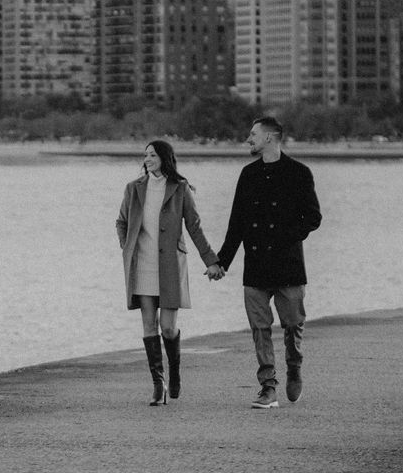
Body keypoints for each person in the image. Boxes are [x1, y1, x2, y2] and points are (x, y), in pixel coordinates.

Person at [208, 116, 321, 408]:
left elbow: (313, 218)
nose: (248, 139)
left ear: (270, 137)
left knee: (293, 325)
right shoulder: (248, 175)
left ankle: (294, 366)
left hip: (288, 264)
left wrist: (286, 236)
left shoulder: (299, 173)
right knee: (260, 328)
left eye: (253, 134)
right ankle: (268, 386)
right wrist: (222, 262)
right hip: (256, 264)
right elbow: (237, 224)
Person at [116, 138, 219, 406]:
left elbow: (194, 227)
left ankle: (174, 372)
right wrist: (127, 249)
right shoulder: (133, 189)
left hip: (171, 266)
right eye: (145, 156)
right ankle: (157, 383)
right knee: (149, 325)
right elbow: (121, 222)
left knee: (168, 328)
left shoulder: (181, 189)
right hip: (142, 266)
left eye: (152, 155)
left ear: (164, 157)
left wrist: (211, 261)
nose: (147, 159)